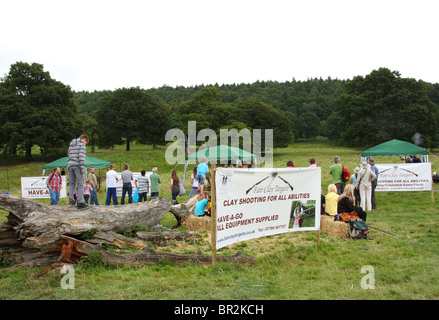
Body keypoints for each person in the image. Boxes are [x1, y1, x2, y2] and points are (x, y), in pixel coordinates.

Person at [67, 134, 89, 209]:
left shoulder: (71, 144)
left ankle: (71, 201)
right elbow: (81, 157)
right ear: (84, 139)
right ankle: (80, 202)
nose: (85, 144)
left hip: (70, 165)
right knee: (80, 184)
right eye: (86, 142)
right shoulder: (82, 145)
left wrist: (68, 168)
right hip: (77, 165)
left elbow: (68, 156)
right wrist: (83, 169)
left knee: (72, 183)